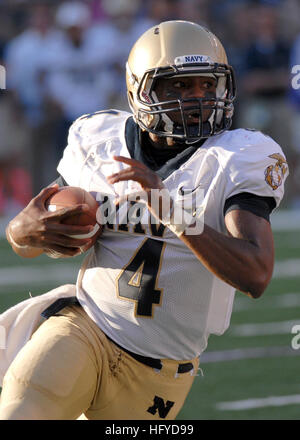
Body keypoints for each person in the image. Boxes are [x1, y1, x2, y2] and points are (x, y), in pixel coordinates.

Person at [0, 20, 288, 420]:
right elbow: (34, 224)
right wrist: (20, 232)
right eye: (180, 87)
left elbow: (256, 273)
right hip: (86, 327)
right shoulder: (100, 141)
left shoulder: (235, 158)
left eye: (207, 84)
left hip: (161, 369)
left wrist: (169, 209)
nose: (198, 98)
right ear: (140, 90)